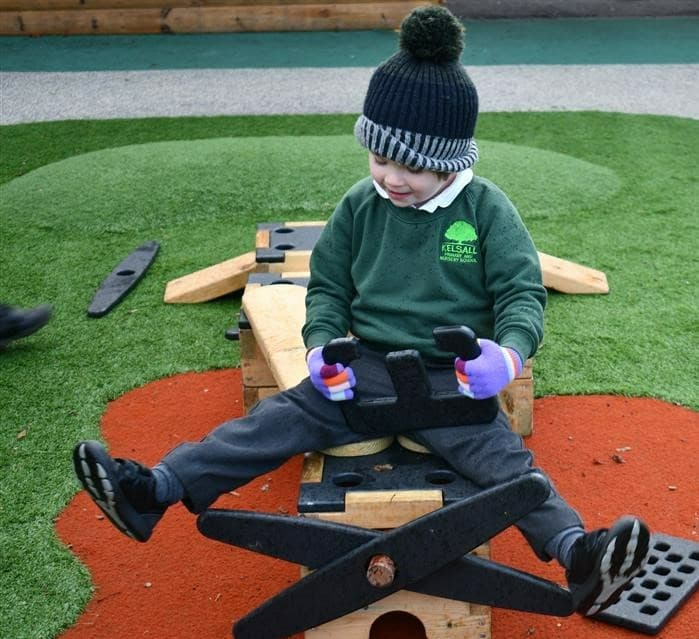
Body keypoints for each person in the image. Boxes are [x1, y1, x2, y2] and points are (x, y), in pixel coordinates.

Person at [73, 6, 649, 618]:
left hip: (451, 381)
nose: (392, 177)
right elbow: (325, 288)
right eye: (379, 157)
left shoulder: (486, 210)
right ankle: (156, 490)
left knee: (505, 462)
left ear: (453, 158)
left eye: (414, 165)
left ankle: (578, 555)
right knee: (277, 419)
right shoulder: (360, 204)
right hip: (367, 370)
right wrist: (322, 350)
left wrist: (506, 355)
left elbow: (522, 293)